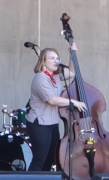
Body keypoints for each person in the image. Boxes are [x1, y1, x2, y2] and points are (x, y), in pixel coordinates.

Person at [26, 42, 86, 171]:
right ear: (43, 61)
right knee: (40, 159)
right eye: (52, 58)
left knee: (49, 159)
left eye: (57, 58)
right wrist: (73, 102)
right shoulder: (40, 78)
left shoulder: (56, 77)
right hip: (39, 123)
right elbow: (52, 100)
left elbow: (71, 73)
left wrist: (72, 54)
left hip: (52, 123)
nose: (56, 60)